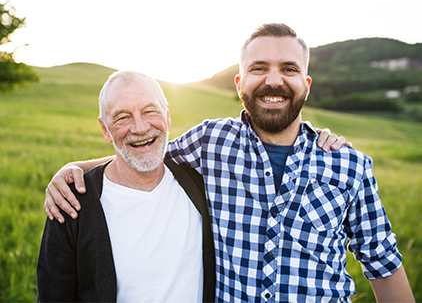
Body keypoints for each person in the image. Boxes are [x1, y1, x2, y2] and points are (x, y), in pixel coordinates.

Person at [44, 23, 415, 301]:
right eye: (259, 68)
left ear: (306, 83)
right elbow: (145, 153)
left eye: (288, 68)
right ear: (240, 83)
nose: (274, 81)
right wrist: (74, 167)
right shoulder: (211, 142)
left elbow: (383, 265)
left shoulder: (347, 165)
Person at [37, 70, 216, 302]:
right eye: (122, 117)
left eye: (149, 111)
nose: (140, 128)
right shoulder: (71, 204)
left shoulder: (200, 183)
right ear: (105, 129)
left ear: (167, 116)